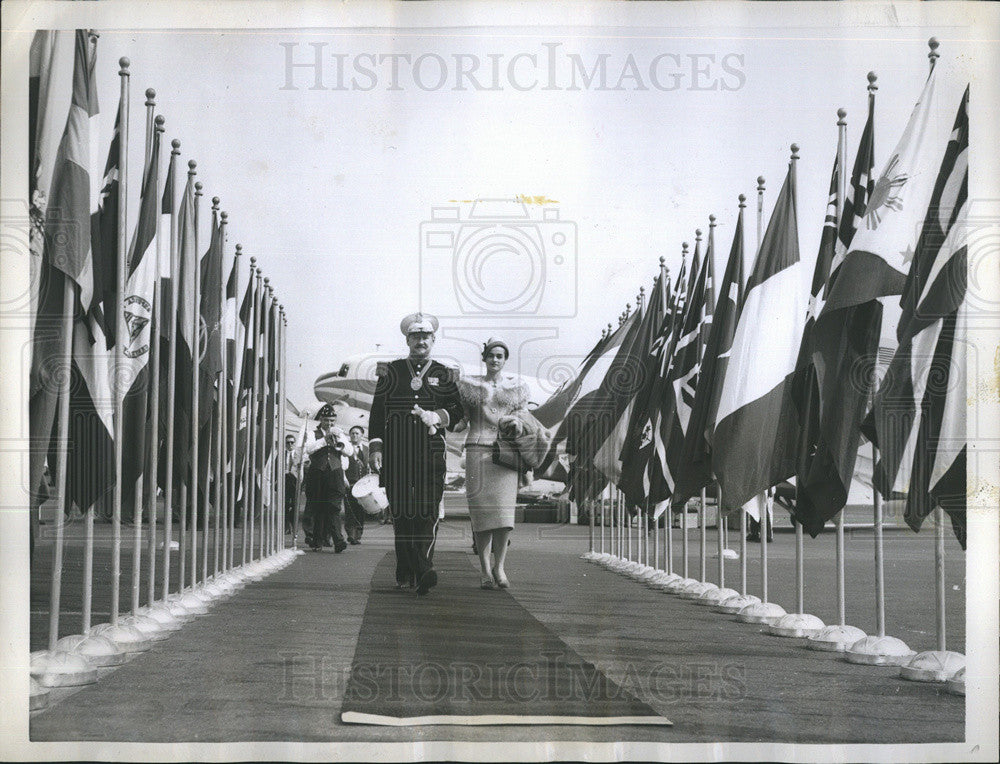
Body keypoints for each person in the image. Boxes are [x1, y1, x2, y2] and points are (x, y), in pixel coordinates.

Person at [368, 313, 464, 595]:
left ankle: (422, 568)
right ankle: (408, 568)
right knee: (402, 513)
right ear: (407, 340)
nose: (420, 341)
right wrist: (376, 447)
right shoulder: (392, 371)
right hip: (397, 452)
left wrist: (439, 415)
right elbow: (377, 412)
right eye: (415, 336)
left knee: (427, 511)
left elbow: (458, 412)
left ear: (433, 340)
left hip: (430, 452)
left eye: (425, 336)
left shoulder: (444, 374)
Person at [456, 338, 530, 590]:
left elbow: (524, 416)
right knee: (482, 515)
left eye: (500, 356)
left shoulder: (517, 388)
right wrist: (449, 423)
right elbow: (463, 418)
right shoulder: (468, 386)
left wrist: (518, 423)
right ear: (484, 358)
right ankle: (485, 570)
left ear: (505, 359)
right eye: (491, 355)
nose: (495, 360)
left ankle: (500, 567)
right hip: (478, 451)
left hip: (507, 455)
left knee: (504, 515)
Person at [302, 403, 353, 552]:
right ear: (321, 420)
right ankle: (317, 541)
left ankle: (338, 541)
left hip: (335, 473)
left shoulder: (339, 433)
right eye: (326, 421)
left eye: (332, 421)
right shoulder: (313, 433)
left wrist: (340, 437)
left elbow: (349, 452)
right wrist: (325, 440)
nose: (329, 424)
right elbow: (309, 449)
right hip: (317, 472)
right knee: (318, 506)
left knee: (334, 507)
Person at [343, 425, 369, 544]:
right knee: (349, 509)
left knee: (360, 510)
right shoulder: (345, 448)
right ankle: (351, 534)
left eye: (357, 433)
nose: (354, 435)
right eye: (352, 433)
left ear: (362, 435)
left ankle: (358, 533)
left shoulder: (366, 449)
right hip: (350, 482)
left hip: (363, 484)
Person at [284, 433, 301, 535]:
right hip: (285, 481)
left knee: (295, 506)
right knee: (285, 505)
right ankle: (286, 527)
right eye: (288, 443)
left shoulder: (299, 455)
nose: (290, 445)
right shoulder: (281, 455)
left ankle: (294, 526)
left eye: (292, 442)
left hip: (295, 481)